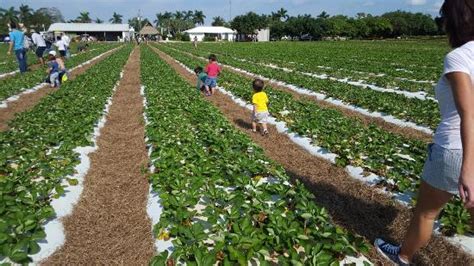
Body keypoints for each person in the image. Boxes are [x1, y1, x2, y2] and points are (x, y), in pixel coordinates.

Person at [374, 1, 474, 265]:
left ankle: (403, 256)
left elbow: (468, 114)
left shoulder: (459, 57)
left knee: (427, 213)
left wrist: (467, 167)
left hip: (455, 149)